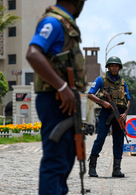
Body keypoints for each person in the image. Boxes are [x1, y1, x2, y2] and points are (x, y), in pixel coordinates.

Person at [26, 0, 87, 194]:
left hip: (65, 100)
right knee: (55, 162)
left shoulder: (66, 24)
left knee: (65, 158)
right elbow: (33, 54)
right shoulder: (53, 22)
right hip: (55, 100)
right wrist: (61, 86)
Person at [87, 56, 131, 178]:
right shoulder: (101, 79)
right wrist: (103, 103)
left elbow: (128, 100)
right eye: (112, 65)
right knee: (100, 139)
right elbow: (90, 94)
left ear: (119, 68)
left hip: (120, 114)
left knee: (119, 141)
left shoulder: (123, 82)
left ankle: (116, 169)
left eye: (116, 66)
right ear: (108, 67)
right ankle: (92, 167)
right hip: (106, 112)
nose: (114, 67)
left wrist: (125, 114)